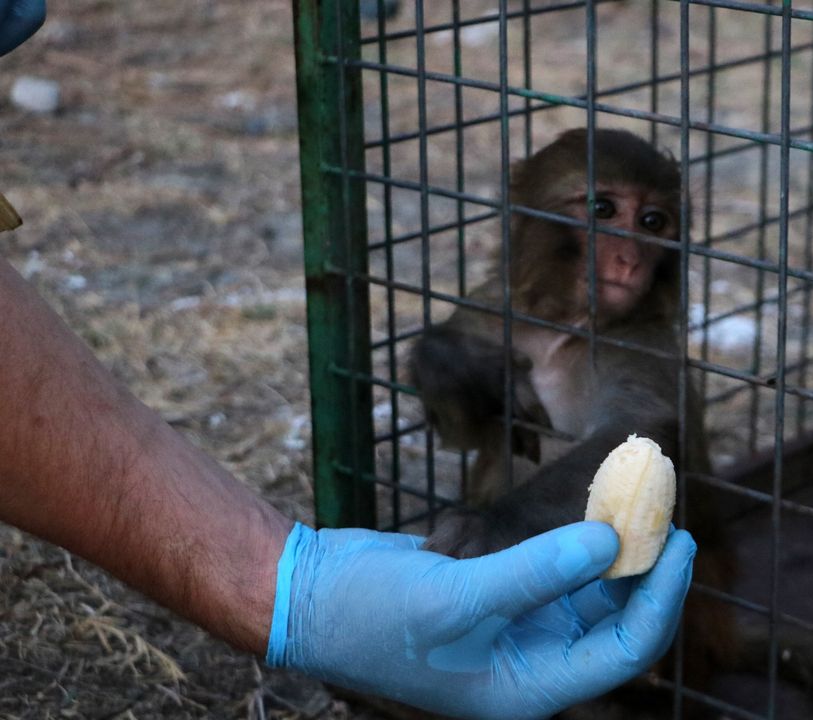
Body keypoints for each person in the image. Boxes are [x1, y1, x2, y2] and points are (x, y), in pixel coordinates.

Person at [0, 5, 695, 719]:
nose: (628, 253)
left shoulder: (642, 345)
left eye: (652, 224)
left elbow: (641, 435)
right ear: (528, 209)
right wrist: (445, 363)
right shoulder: (498, 309)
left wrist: (508, 522)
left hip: (608, 574)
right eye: (600, 212)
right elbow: (455, 425)